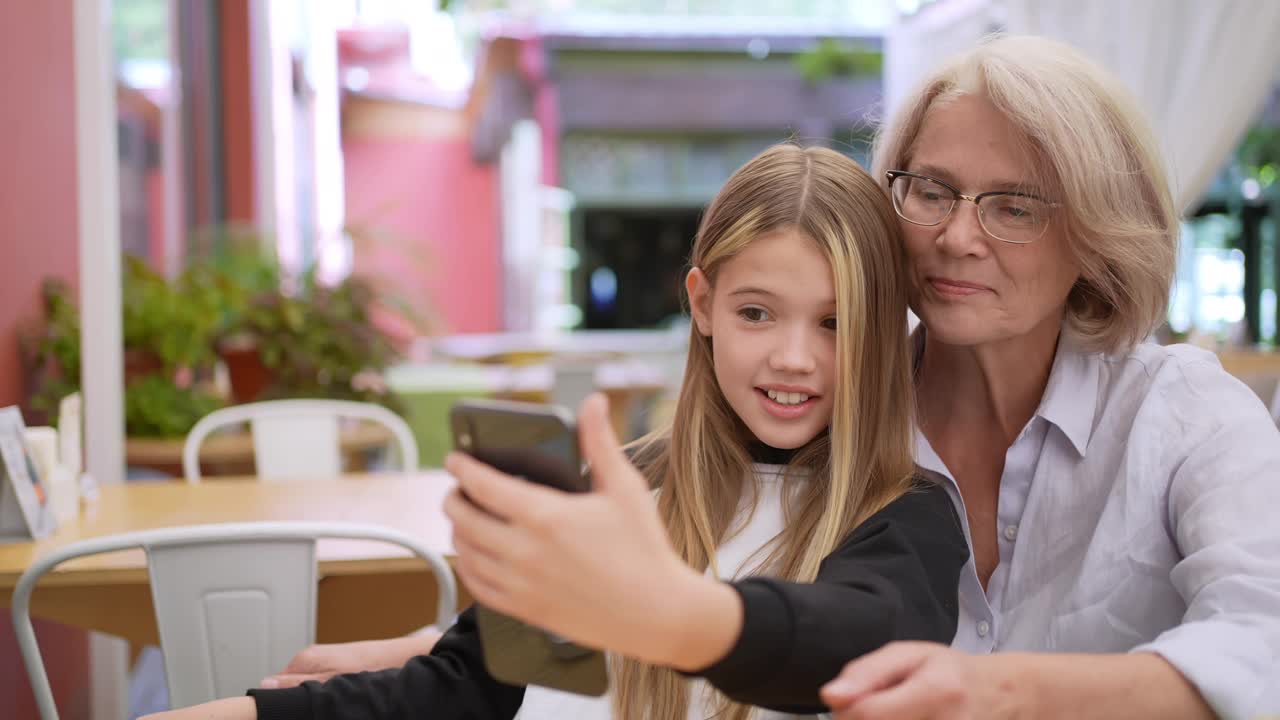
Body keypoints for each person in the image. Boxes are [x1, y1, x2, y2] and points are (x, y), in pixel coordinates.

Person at [144, 144, 969, 720]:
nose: (795, 358)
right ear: (702, 304)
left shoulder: (909, 516)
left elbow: (860, 645)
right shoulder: (620, 489)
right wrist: (237, 714)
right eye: (758, 312)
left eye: (835, 322)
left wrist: (676, 610)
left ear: (882, 329)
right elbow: (470, 687)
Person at [805, 34, 1280, 719]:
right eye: (933, 192)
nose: (957, 237)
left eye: (1014, 207)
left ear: (1097, 237)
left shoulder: (1185, 414)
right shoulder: (827, 417)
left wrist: (1008, 693)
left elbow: (1265, 635)